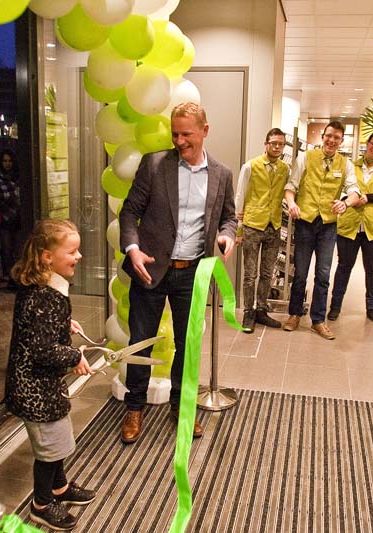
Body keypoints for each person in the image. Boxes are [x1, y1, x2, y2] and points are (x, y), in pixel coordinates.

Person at [119, 102, 237, 444]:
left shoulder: (222, 174)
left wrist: (226, 235)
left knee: (188, 347)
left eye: (186, 133)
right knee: (140, 343)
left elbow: (229, 216)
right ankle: (135, 407)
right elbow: (130, 212)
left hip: (192, 274)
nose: (179, 140)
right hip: (151, 269)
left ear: (205, 130)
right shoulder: (154, 165)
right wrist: (132, 248)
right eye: (174, 133)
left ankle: (181, 406)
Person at [5, 219, 96, 531]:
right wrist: (74, 356)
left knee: (58, 440)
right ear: (47, 256)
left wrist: (64, 325)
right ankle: (42, 504)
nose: (79, 256)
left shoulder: (42, 285)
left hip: (42, 385)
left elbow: (36, 325)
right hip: (35, 389)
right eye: (72, 251)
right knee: (49, 448)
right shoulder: (46, 296)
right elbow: (43, 351)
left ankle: (60, 488)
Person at [282, 121, 360, 340]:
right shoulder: (305, 157)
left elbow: (354, 191)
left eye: (336, 137)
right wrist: (292, 203)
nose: (331, 141)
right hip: (306, 222)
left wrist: (346, 203)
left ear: (341, 141)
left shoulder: (345, 164)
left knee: (323, 274)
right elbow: (291, 187)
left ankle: (318, 320)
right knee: (300, 273)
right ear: (322, 137)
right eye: (328, 136)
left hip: (328, 226)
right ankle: (294, 314)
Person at [327, 131, 373, 324]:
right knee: (343, 267)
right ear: (367, 144)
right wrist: (349, 200)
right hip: (349, 225)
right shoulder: (351, 166)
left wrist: (370, 198)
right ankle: (335, 306)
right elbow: (341, 188)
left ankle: (372, 307)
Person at [234, 128, 290, 333]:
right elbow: (240, 196)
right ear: (266, 144)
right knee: (250, 274)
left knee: (268, 273)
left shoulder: (285, 169)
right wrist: (238, 230)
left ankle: (261, 309)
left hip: (274, 226)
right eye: (273, 143)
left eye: (280, 144)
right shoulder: (250, 166)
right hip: (252, 225)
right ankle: (249, 312)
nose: (277, 147)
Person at [0, 149, 21, 287]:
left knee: (17, 247)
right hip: (5, 218)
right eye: (5, 161)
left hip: (17, 217)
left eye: (9, 161)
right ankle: (8, 275)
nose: (7, 164)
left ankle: (16, 275)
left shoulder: (17, 176)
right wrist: (15, 193)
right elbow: (3, 195)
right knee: (6, 248)